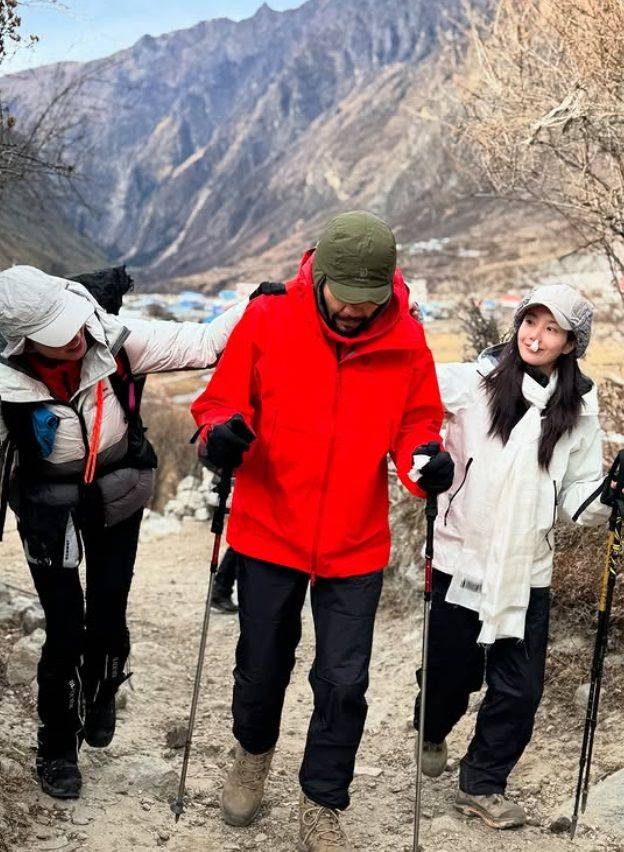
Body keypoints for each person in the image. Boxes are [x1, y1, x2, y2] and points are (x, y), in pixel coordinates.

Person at [191, 211, 454, 851]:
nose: (354, 313)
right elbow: (218, 403)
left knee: (344, 681)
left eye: (369, 303)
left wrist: (427, 461)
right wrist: (219, 436)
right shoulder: (269, 318)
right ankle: (253, 757)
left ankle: (322, 801)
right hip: (267, 528)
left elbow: (417, 427)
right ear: (320, 277)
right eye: (343, 298)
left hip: (353, 541)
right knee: (260, 665)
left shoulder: (407, 341)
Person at [0, 265, 246, 800]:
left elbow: (205, 341)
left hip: (118, 490)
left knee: (108, 610)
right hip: (47, 504)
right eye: (53, 332)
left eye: (70, 323)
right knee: (64, 627)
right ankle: (57, 747)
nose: (72, 337)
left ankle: (104, 685)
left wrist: (269, 301)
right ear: (22, 341)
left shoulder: (116, 342)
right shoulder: (5, 381)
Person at [414, 284, 618, 830]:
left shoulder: (579, 407)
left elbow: (579, 491)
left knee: (520, 689)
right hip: (464, 559)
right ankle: (431, 725)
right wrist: (421, 462)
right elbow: (411, 413)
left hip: (528, 566)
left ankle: (482, 782)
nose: (537, 335)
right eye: (532, 321)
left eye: (552, 329)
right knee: (450, 677)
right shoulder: (470, 382)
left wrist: (607, 501)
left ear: (571, 343)